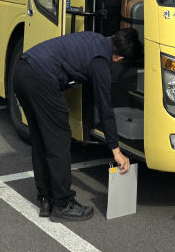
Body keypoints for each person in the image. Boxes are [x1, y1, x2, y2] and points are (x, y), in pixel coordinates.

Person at [14, 28, 141, 221]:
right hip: (41, 79)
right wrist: (116, 150)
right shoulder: (100, 63)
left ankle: (46, 198)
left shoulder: (96, 39)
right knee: (60, 140)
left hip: (22, 70)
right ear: (119, 59)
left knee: (41, 138)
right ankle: (63, 203)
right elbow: (106, 110)